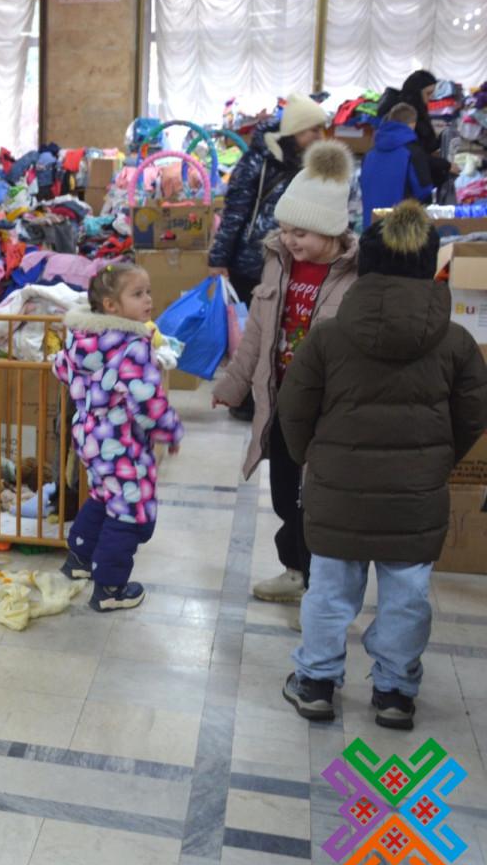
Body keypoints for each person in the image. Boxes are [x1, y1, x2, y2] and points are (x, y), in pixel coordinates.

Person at [277, 201, 487, 729]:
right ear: (429, 268)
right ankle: (394, 693)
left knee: (328, 592)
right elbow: (473, 417)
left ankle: (318, 682)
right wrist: (435, 462)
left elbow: (293, 410)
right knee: (407, 598)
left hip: (337, 491)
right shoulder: (457, 342)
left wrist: (313, 460)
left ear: (364, 268)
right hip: (415, 498)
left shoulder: (328, 335)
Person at [212, 142, 358, 610]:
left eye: (304, 232)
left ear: (333, 230)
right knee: (283, 495)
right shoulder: (278, 262)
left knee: (314, 502)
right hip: (279, 400)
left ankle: (319, 593)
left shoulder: (355, 276)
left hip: (326, 409)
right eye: (287, 229)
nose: (292, 239)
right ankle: (296, 572)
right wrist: (233, 384)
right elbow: (256, 331)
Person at [53, 263, 184, 612]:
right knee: (129, 509)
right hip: (120, 439)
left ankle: (79, 559)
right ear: (111, 305)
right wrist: (169, 430)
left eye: (149, 292)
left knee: (102, 494)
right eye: (138, 294)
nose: (149, 301)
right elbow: (148, 400)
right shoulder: (131, 345)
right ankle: (110, 586)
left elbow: (60, 367)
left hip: (89, 435)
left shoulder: (81, 337)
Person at [209, 92, 327, 421]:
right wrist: (219, 258)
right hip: (252, 261)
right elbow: (235, 212)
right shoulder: (258, 160)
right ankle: (246, 399)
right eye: (312, 130)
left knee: (283, 333)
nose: (318, 136)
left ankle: (276, 398)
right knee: (256, 335)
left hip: (294, 261)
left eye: (320, 130)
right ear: (296, 130)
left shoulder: (310, 163)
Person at [378, 70, 453, 192]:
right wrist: (446, 165)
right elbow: (413, 154)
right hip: (407, 178)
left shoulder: (418, 110)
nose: (430, 99)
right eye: (428, 94)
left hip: (412, 174)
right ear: (417, 92)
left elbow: (421, 147)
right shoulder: (406, 115)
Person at [360, 103, 433, 228]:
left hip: (370, 226)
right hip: (400, 231)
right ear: (413, 124)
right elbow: (424, 192)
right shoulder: (412, 152)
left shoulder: (369, 154)